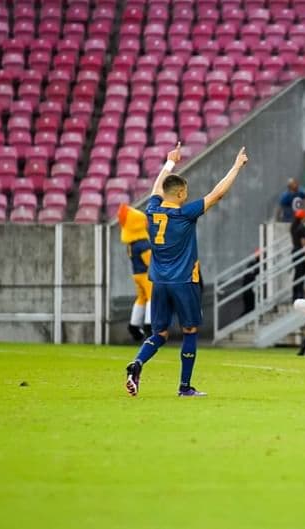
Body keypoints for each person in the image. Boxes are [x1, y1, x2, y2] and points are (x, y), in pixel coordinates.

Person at [125, 143, 249, 397]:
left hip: (158, 282)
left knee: (159, 333)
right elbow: (217, 194)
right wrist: (236, 166)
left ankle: (137, 363)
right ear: (181, 193)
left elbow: (156, 189)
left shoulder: (151, 210)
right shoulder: (184, 214)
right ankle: (184, 386)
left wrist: (170, 163)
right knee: (189, 331)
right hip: (184, 281)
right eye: (186, 191)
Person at [117, 203, 153, 342]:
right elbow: (150, 261)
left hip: (136, 274)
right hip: (146, 274)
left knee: (141, 298)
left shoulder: (131, 244)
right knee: (152, 297)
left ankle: (134, 325)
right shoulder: (143, 243)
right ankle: (150, 326)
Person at [291, 208, 305, 301]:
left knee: (297, 273)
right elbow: (304, 242)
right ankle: (299, 294)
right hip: (301, 252)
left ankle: (296, 294)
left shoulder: (294, 227)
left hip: (295, 251)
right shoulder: (302, 228)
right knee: (300, 274)